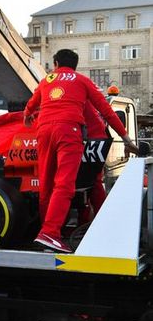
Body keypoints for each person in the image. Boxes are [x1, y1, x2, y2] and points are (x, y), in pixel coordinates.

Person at [23, 49, 138, 253]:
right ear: (75, 65)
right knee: (66, 184)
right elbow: (106, 110)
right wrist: (126, 138)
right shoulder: (81, 80)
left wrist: (27, 115)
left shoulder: (47, 80)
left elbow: (31, 104)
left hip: (44, 131)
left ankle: (45, 233)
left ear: (56, 63)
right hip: (69, 131)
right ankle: (50, 233)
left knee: (46, 184)